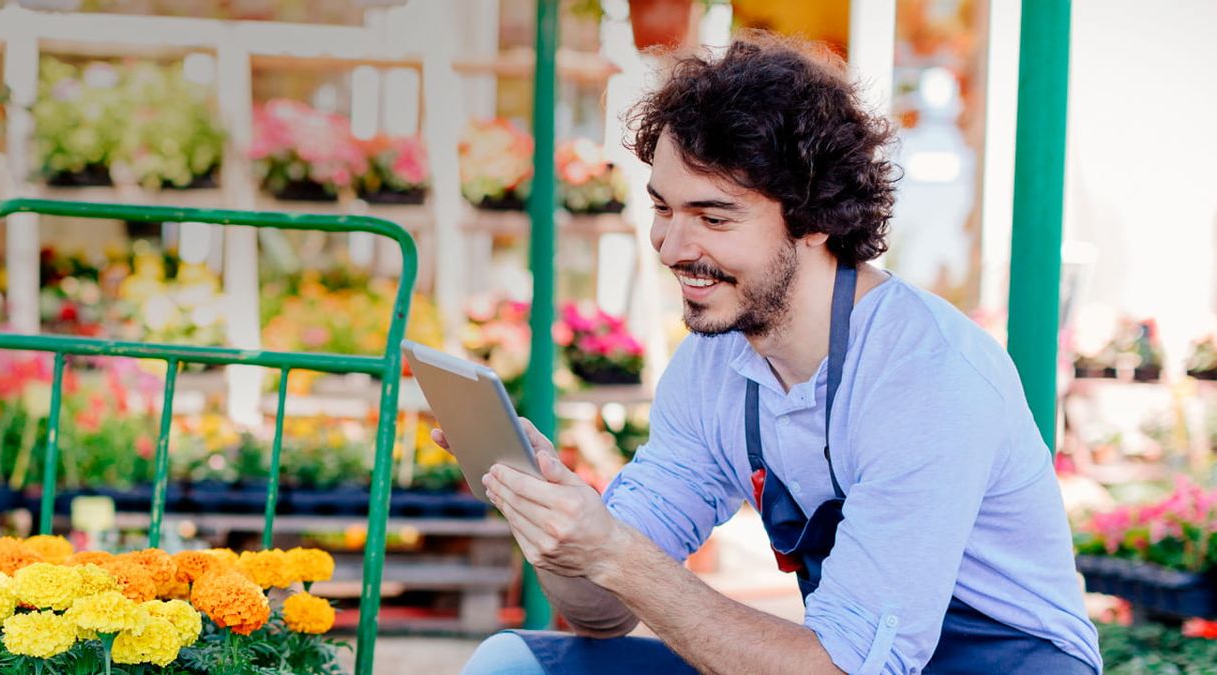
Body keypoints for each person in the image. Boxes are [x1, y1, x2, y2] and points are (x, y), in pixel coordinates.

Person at [447, 33, 1101, 674]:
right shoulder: (715, 366)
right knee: (514, 661)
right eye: (663, 209)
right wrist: (551, 520)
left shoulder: (926, 378)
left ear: (815, 217)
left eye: (713, 217)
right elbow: (602, 614)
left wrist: (619, 554)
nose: (672, 245)